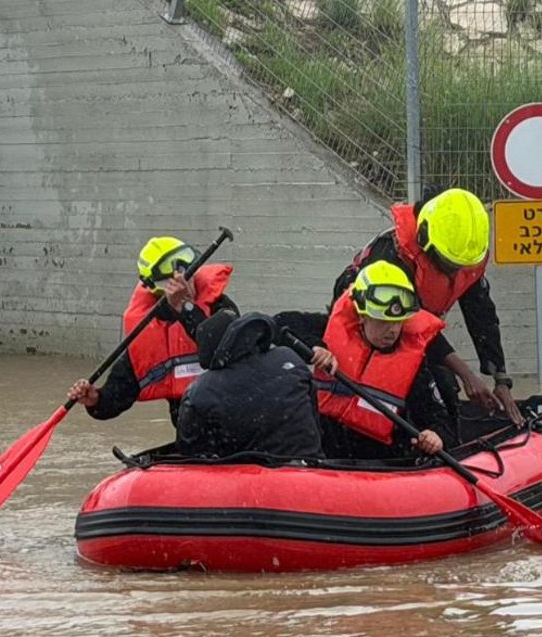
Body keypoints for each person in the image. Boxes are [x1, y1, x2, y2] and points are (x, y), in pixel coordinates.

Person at [332, 185, 522, 425]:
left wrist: (500, 378)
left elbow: (481, 315)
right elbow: (413, 322)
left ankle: (442, 438)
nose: (454, 271)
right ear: (424, 237)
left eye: (460, 265)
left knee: (443, 386)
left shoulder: (462, 254)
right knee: (434, 386)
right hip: (374, 328)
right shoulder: (393, 257)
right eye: (448, 263)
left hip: (411, 330)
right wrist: (466, 374)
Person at [295, 260, 457, 462]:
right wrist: (316, 346)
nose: (392, 330)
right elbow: (282, 324)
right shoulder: (328, 332)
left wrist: (436, 435)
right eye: (383, 321)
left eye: (398, 322)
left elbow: (439, 418)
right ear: (362, 316)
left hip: (379, 463)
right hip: (324, 451)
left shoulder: (414, 368)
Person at [67, 236, 237, 427]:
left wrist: (186, 309)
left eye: (190, 274)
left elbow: (227, 350)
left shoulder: (221, 308)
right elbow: (118, 394)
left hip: (236, 421)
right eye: (177, 281)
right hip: (194, 436)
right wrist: (95, 399)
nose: (188, 284)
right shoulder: (148, 331)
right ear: (162, 288)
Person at [175, 310, 325, 461]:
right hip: (311, 468)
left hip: (253, 478)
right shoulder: (289, 357)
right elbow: (315, 420)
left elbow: (190, 455)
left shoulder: (201, 390)